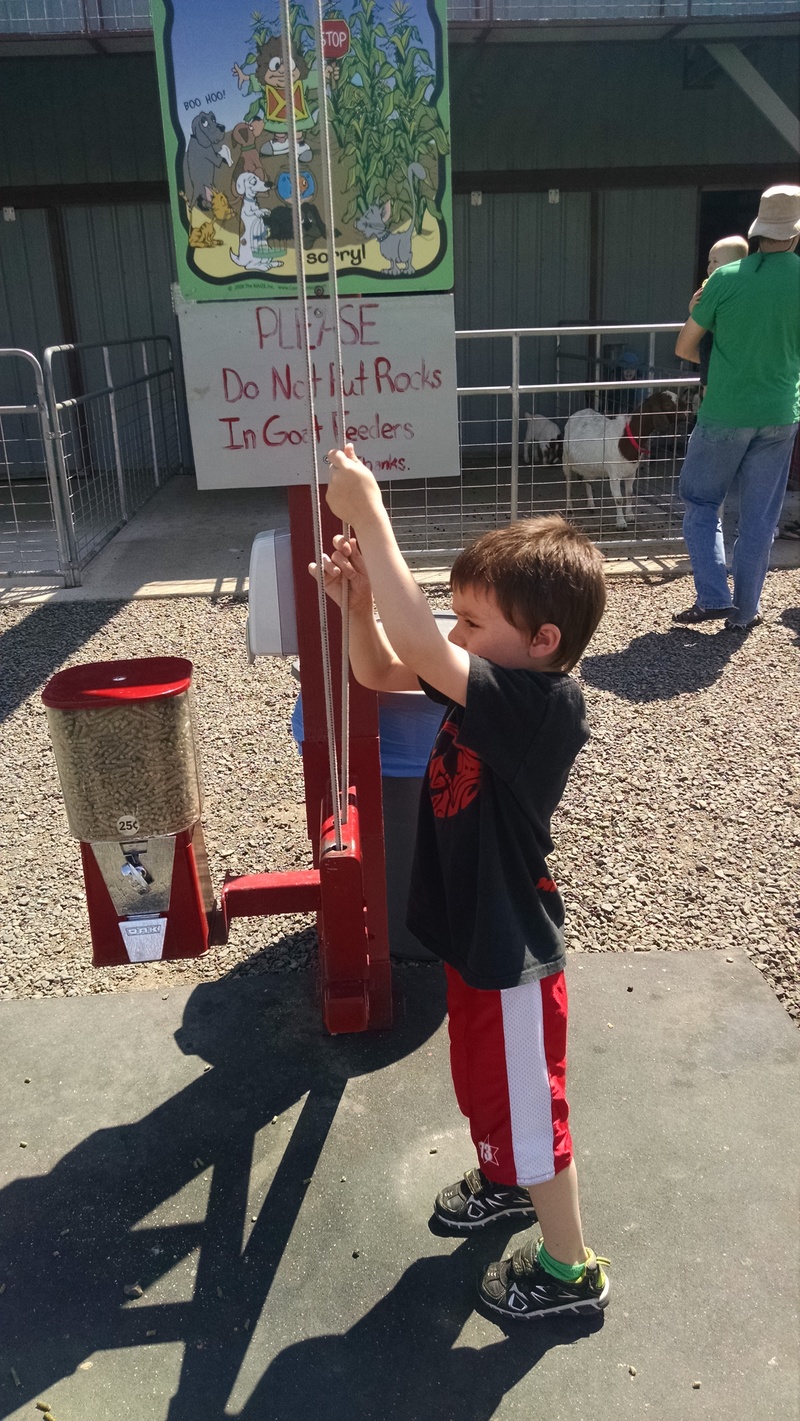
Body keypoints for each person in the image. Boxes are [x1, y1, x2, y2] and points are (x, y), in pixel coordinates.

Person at [313, 445, 610, 1322]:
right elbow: (380, 667)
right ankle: (506, 1177)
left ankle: (569, 1270)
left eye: (471, 623)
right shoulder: (491, 678)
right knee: (487, 1087)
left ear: (541, 640)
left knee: (533, 1107)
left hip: (513, 952)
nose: (454, 635)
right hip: (472, 938)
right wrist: (360, 606)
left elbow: (418, 647)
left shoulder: (539, 704)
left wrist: (369, 508)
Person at [673, 185, 800, 629]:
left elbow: (686, 347)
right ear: (796, 234)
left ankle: (713, 595)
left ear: (758, 229)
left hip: (724, 413)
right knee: (760, 519)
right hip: (781, 413)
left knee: (702, 502)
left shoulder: (724, 280)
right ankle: (744, 614)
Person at [689, 235, 750, 395]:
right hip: (715, 356)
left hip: (720, 355)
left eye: (715, 262)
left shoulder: (734, 292)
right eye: (709, 261)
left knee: (710, 390)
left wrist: (694, 312)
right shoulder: (711, 287)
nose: (709, 267)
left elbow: (720, 323)